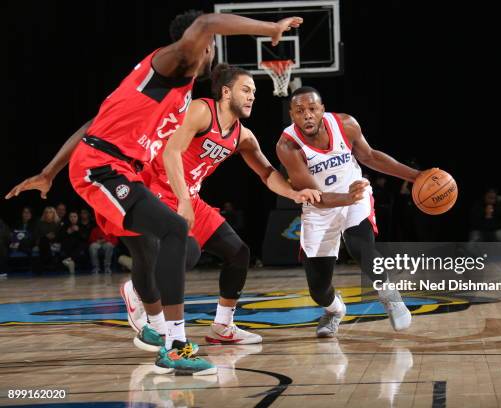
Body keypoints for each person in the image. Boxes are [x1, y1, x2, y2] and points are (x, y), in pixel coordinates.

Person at [6, 10, 304, 375]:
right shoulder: (172, 63)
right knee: (175, 233)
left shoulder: (176, 96)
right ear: (202, 46)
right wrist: (271, 28)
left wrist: (48, 172)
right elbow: (207, 23)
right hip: (100, 167)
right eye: (209, 46)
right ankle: (173, 344)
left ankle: (162, 329)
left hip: (122, 172)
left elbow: (92, 123)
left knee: (175, 245)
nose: (210, 52)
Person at [123, 64, 320, 346]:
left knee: (238, 253)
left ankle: (222, 326)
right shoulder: (202, 111)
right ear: (226, 92)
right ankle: (139, 290)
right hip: (157, 189)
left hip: (189, 196)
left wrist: (293, 194)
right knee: (185, 255)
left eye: (254, 92)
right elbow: (171, 152)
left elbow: (266, 173)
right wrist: (182, 201)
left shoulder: (242, 136)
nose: (252, 96)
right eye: (246, 90)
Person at [276, 86, 429, 338]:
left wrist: (416, 176)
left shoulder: (345, 124)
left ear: (322, 110)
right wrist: (346, 198)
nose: (307, 116)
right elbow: (317, 197)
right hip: (320, 207)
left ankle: (389, 295)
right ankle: (334, 310)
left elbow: (370, 157)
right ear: (292, 115)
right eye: (300, 111)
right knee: (318, 288)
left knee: (360, 246)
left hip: (355, 193)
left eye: (312, 109)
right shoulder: (287, 146)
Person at [34, 206, 62, 272]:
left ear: (54, 214)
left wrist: (54, 236)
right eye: (46, 212)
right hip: (42, 242)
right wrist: (46, 236)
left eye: (50, 212)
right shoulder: (40, 223)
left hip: (55, 242)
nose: (48, 214)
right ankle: (50, 262)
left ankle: (45, 263)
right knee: (44, 240)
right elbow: (36, 234)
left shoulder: (58, 223)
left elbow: (61, 235)